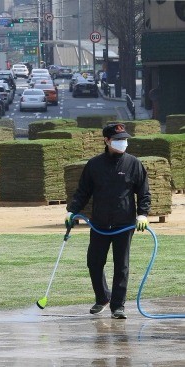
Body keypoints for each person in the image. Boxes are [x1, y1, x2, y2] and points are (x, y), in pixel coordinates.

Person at [65, 123, 151, 320]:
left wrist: (143, 214)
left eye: (124, 140)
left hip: (124, 223)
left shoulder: (133, 163)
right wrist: (72, 211)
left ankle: (118, 306)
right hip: (100, 223)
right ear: (107, 140)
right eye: (118, 140)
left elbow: (144, 192)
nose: (123, 143)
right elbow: (83, 192)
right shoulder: (94, 165)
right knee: (94, 262)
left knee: (121, 265)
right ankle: (102, 297)